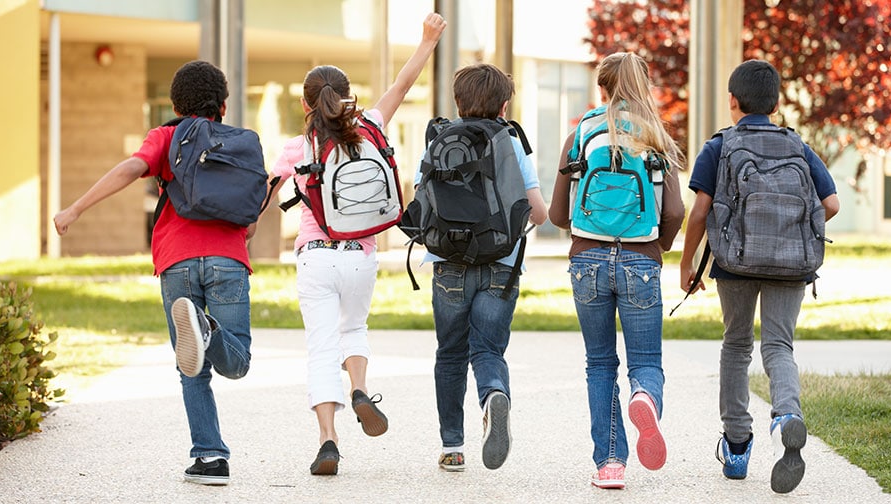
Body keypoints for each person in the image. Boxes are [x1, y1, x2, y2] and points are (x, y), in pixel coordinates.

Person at [53, 60, 256, 486]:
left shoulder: (167, 136)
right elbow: (249, 221)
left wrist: (75, 208)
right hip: (228, 260)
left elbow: (130, 169)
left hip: (176, 261)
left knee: (190, 368)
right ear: (223, 104)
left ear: (175, 104)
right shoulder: (239, 145)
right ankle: (209, 331)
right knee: (237, 364)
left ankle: (211, 458)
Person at [264, 12, 446, 476]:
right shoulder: (373, 125)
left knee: (321, 348)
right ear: (346, 98)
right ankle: (360, 388)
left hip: (316, 257)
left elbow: (260, 196)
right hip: (362, 254)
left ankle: (328, 440)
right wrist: (426, 40)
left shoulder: (297, 147)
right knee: (355, 329)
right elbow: (403, 85)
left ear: (307, 105)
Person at [678, 59, 840, 494]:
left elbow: (699, 211)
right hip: (791, 264)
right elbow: (832, 203)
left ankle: (736, 446)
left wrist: (687, 263)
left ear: (732, 101)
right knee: (778, 345)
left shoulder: (719, 146)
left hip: (734, 262)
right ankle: (786, 416)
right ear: (776, 103)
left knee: (736, 345)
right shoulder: (798, 147)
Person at [548, 52, 685, 489]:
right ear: (643, 87)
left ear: (601, 88)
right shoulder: (654, 135)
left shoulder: (582, 133)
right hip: (641, 260)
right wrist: (656, 246)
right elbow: (676, 210)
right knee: (645, 360)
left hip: (587, 259)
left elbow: (555, 213)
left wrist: (585, 230)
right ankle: (644, 397)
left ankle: (610, 464)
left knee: (600, 362)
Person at [418, 63, 548, 473]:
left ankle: (452, 447)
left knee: (450, 353)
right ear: (504, 105)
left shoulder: (439, 139)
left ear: (457, 101)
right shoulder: (510, 142)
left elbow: (421, 202)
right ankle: (493, 394)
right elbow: (540, 213)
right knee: (487, 349)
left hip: (448, 265)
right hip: (501, 264)